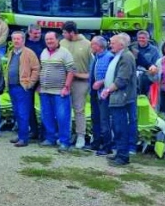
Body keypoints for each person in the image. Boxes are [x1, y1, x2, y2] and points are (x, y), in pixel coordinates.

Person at [101, 33, 137, 167]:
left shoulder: (126, 57)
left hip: (122, 98)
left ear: (121, 44)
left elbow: (122, 79)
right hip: (116, 97)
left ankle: (123, 156)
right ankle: (120, 153)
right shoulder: (119, 55)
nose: (110, 44)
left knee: (121, 126)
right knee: (117, 126)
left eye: (113, 42)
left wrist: (108, 90)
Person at [39, 31, 76, 152]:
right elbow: (42, 68)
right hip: (44, 91)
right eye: (47, 39)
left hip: (60, 91)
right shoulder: (44, 52)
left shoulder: (65, 53)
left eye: (51, 39)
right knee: (46, 116)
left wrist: (66, 87)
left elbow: (71, 70)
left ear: (57, 40)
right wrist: (39, 85)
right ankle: (50, 139)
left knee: (62, 117)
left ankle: (64, 141)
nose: (49, 41)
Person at [60, 21, 92, 149]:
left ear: (72, 32)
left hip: (80, 82)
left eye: (64, 32)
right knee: (64, 110)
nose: (62, 35)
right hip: (64, 82)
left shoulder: (87, 45)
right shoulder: (62, 43)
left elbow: (92, 65)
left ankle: (80, 136)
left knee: (79, 110)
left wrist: (79, 74)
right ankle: (65, 135)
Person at [6, 31, 40, 147]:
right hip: (12, 86)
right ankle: (21, 135)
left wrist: (30, 84)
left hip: (23, 88)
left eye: (18, 39)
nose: (16, 41)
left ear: (23, 40)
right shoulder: (11, 53)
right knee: (16, 112)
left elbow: (36, 69)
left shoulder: (29, 53)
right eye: (14, 39)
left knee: (23, 113)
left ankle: (23, 139)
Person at [89, 36, 114, 155]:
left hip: (104, 93)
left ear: (99, 46)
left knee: (104, 120)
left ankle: (107, 146)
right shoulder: (96, 57)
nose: (91, 45)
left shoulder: (109, 57)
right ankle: (96, 142)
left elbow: (113, 76)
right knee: (96, 118)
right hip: (94, 93)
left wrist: (101, 82)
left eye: (93, 44)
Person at [25, 23, 44, 140]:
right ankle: (33, 130)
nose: (37, 35)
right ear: (29, 32)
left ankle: (45, 132)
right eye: (35, 33)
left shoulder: (44, 41)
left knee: (45, 106)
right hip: (28, 77)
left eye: (39, 33)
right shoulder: (25, 42)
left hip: (42, 77)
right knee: (29, 105)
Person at [130, 30, 160, 96]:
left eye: (143, 38)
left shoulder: (154, 50)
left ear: (147, 39)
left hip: (148, 73)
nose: (141, 39)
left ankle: (144, 96)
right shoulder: (132, 48)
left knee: (143, 79)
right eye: (139, 38)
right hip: (134, 72)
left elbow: (156, 64)